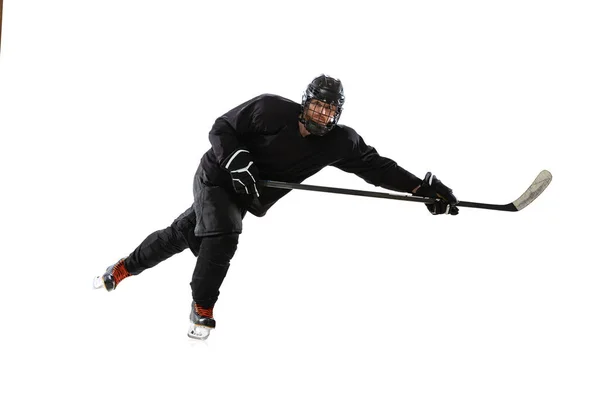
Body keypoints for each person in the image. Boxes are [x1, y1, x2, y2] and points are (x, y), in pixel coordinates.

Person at [93, 74, 459, 340]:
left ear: (338, 114)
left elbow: (376, 167)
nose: (322, 115)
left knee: (179, 235)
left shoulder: (340, 143)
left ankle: (123, 267)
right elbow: (221, 127)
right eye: (317, 105)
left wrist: (420, 188)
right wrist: (236, 159)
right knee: (222, 236)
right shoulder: (269, 109)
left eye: (330, 110)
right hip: (217, 176)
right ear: (305, 102)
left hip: (246, 196)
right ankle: (201, 307)